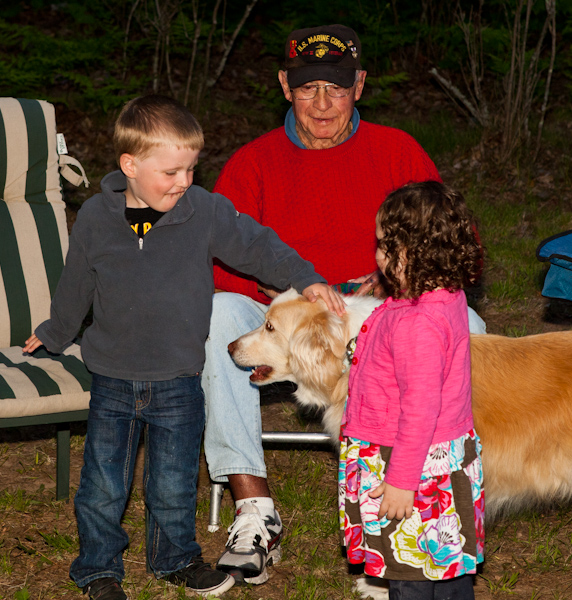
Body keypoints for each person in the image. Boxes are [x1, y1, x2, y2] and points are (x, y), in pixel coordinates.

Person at [23, 95, 345, 600]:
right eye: (171, 171)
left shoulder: (206, 212)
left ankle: (172, 559)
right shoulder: (95, 219)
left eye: (192, 169)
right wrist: (57, 330)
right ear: (130, 165)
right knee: (104, 486)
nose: (184, 182)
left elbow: (259, 247)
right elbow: (76, 284)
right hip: (112, 377)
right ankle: (98, 569)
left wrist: (305, 280)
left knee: (173, 485)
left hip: (179, 379)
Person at [204, 23, 486, 585]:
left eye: (335, 87)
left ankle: (446, 484)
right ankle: (253, 507)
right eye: (308, 88)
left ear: (359, 84)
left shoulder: (396, 150)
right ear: (285, 86)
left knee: (469, 324)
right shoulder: (252, 163)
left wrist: (391, 284)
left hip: (383, 303)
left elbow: (457, 241)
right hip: (283, 312)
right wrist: (287, 301)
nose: (323, 102)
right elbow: (216, 262)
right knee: (216, 321)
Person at [339, 181, 485, 599]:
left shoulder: (417, 324)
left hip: (408, 464)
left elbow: (421, 406)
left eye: (384, 245)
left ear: (410, 254)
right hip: (443, 458)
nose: (377, 254)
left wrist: (401, 480)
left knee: (411, 573)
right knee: (447, 566)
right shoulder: (445, 296)